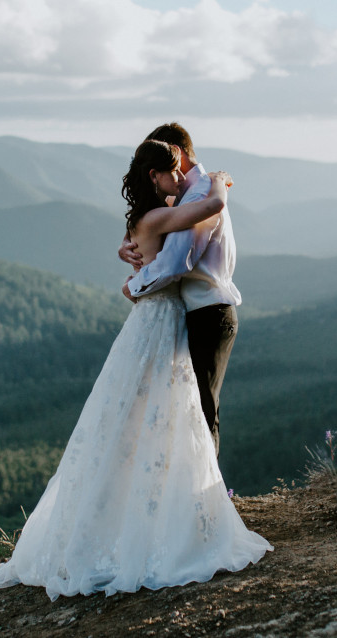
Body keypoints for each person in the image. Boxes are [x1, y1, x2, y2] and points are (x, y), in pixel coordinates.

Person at [0, 139, 270, 599]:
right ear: (159, 174)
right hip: (166, 318)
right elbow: (198, 227)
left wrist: (132, 270)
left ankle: (153, 516)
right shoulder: (169, 211)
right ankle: (184, 521)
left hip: (160, 322)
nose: (173, 183)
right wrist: (218, 180)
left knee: (149, 417)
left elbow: (161, 240)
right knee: (176, 416)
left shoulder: (147, 217)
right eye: (168, 176)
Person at [119, 123, 239, 456]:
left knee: (200, 410)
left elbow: (175, 263)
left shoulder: (199, 192)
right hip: (192, 311)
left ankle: (204, 498)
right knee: (186, 407)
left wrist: (134, 285)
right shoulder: (186, 194)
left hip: (207, 310)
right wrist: (127, 246)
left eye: (171, 165)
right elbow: (153, 230)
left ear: (180, 155)